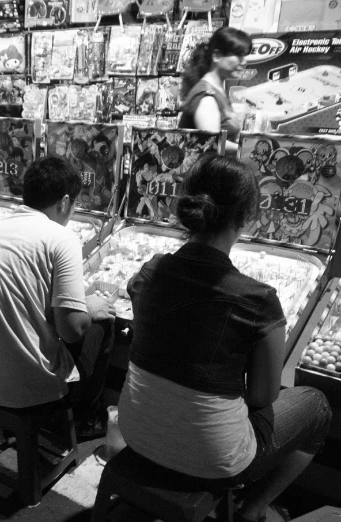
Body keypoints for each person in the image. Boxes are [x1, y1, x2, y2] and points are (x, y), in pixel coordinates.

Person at [118, 155, 331, 522]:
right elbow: (263, 397)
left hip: (135, 430)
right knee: (317, 406)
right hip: (216, 458)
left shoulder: (149, 271)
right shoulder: (258, 300)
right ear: (248, 217)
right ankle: (253, 509)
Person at [0, 157, 116, 437]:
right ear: (65, 202)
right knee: (104, 324)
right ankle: (81, 420)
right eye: (75, 204)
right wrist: (89, 306)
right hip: (29, 387)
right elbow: (73, 330)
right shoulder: (61, 238)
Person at [178, 27, 252, 155]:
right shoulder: (206, 97)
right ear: (217, 56)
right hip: (205, 173)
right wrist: (249, 149)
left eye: (244, 56)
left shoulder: (216, 90)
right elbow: (212, 144)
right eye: (238, 55)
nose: (244, 61)